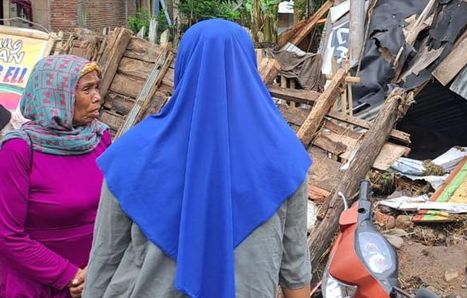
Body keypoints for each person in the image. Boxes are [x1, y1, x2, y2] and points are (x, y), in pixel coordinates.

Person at [85, 19, 312, 298]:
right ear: (248, 68)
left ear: (184, 66)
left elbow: (105, 260)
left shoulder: (132, 153)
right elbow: (295, 271)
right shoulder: (284, 157)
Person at [0, 55, 111, 298]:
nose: (97, 96)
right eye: (87, 89)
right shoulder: (20, 150)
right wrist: (69, 275)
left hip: (95, 280)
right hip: (38, 285)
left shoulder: (99, 139)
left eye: (97, 87)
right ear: (57, 95)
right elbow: (4, 236)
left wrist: (99, 270)